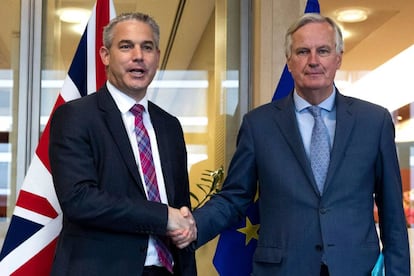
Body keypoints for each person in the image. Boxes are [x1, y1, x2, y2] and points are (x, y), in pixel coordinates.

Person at [171, 13, 411, 275]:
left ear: (338, 57)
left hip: (355, 267)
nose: (313, 61)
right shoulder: (258, 124)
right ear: (289, 61)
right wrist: (193, 224)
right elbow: (235, 197)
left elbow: (391, 213)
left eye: (323, 51)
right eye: (302, 51)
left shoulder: (373, 122)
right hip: (282, 268)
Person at [49, 12, 196, 276]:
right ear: (105, 55)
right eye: (126, 46)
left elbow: (180, 206)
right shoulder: (76, 116)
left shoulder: (170, 125)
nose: (138, 55)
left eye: (147, 47)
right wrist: (163, 217)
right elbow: (79, 199)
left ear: (157, 57)